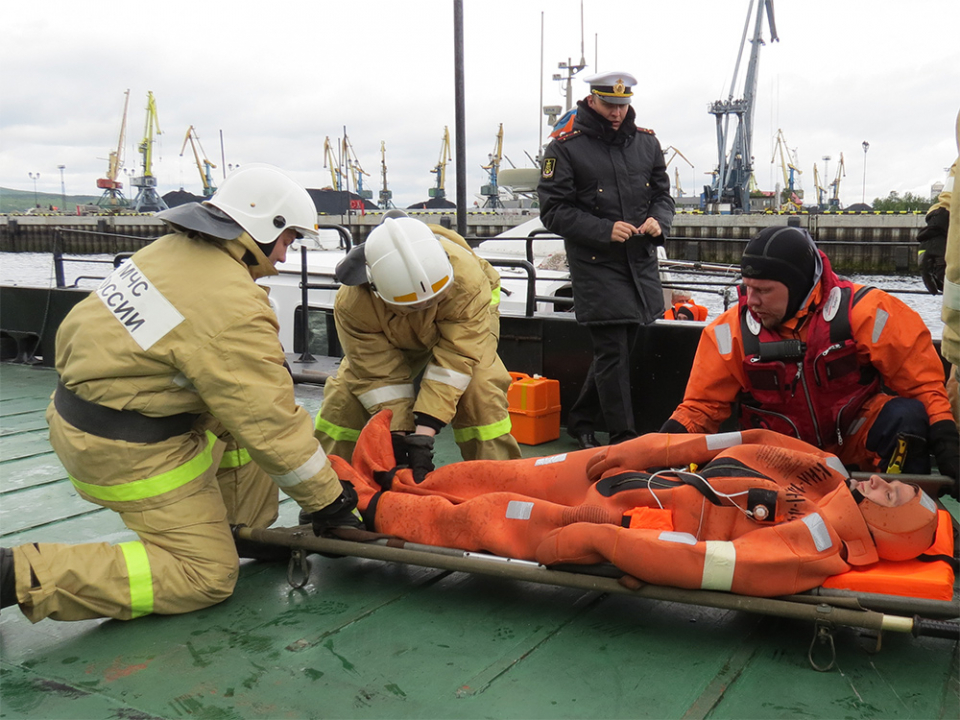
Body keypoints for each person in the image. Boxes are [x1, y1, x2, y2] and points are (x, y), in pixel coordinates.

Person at [0, 164, 361, 622]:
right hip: (128, 453)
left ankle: (238, 530)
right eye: (288, 239)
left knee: (237, 425)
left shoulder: (169, 252)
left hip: (87, 415)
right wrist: (330, 503)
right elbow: (270, 424)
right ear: (261, 227)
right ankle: (17, 574)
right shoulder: (230, 302)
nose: (285, 258)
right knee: (205, 575)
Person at [328, 410, 944, 598]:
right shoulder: (823, 467)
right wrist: (638, 453)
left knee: (487, 517)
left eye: (889, 492)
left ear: (883, 525)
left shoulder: (808, 549)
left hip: (616, 517)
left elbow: (697, 561)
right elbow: (722, 442)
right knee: (500, 470)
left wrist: (600, 537)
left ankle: (371, 503)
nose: (875, 481)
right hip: (633, 474)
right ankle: (399, 475)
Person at [660, 225, 960, 497]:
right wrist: (659, 450)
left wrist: (948, 443)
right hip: (777, 454)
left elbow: (923, 386)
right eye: (747, 287)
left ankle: (903, 515)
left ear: (798, 285)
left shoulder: (868, 312)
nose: (751, 300)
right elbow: (702, 408)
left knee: (907, 417)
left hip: (853, 442)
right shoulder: (728, 333)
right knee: (723, 462)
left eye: (763, 290)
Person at [314, 212, 521, 481]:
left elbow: (458, 356)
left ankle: (501, 483)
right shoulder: (355, 305)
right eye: (413, 305)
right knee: (343, 400)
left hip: (467, 326)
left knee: (480, 392)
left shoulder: (468, 281)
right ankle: (330, 490)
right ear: (375, 288)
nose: (425, 308)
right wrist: (398, 436)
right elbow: (377, 373)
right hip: (394, 336)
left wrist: (424, 434)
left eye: (435, 299)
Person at [537, 71, 676, 450]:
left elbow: (663, 196)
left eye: (622, 104)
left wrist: (657, 221)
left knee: (620, 348)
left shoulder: (647, 144)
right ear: (592, 100)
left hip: (639, 261)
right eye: (609, 104)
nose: (617, 112)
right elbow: (553, 211)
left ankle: (581, 419)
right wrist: (603, 229)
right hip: (596, 263)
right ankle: (623, 439)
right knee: (613, 350)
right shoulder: (565, 147)